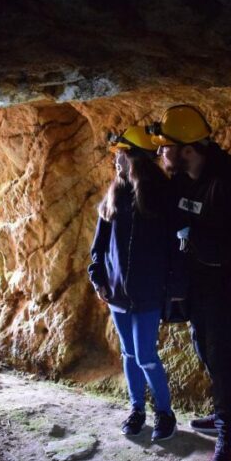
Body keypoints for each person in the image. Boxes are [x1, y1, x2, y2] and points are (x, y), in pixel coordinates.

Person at [148, 105, 231, 461]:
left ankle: (230, 436)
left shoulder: (229, 183)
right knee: (203, 346)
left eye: (166, 146)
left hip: (227, 288)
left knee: (221, 354)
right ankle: (224, 413)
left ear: (187, 149)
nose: (160, 152)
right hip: (198, 285)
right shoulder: (182, 181)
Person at [87, 126, 180, 442]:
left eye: (122, 154)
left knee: (145, 357)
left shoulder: (161, 198)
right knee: (129, 355)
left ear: (137, 158)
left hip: (148, 295)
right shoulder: (114, 195)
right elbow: (99, 246)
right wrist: (98, 278)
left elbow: (174, 248)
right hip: (117, 295)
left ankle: (165, 413)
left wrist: (171, 289)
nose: (116, 161)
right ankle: (137, 409)